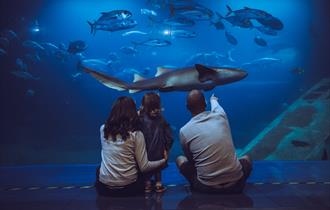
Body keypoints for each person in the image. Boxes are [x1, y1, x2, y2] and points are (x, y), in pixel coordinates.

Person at [176, 90, 252, 193]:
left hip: (206, 187)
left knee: (180, 159)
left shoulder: (184, 131)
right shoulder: (221, 116)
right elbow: (216, 105)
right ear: (205, 103)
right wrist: (213, 99)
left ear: (187, 107)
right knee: (246, 158)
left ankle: (197, 187)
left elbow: (191, 160)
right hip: (236, 182)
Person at [95, 96, 168, 196]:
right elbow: (144, 167)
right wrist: (163, 161)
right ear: (132, 112)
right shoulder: (136, 134)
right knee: (140, 170)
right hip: (129, 188)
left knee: (99, 169)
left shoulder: (103, 129)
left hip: (104, 189)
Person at [139, 92, 173, 193]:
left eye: (156, 107)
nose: (155, 110)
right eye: (152, 108)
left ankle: (148, 184)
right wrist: (167, 148)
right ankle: (158, 184)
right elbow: (169, 136)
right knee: (158, 167)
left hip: (145, 153)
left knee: (147, 169)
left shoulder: (141, 119)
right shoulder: (161, 119)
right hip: (159, 153)